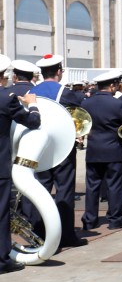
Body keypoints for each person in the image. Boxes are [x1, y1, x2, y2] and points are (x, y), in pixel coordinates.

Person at [26, 54, 87, 249]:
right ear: (59, 71)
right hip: (61, 148)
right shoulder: (64, 92)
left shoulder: (31, 91)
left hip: (38, 148)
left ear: (42, 73)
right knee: (64, 191)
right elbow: (81, 110)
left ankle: (40, 233)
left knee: (40, 190)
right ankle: (66, 235)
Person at [81, 70, 122, 230]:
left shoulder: (86, 103)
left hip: (94, 150)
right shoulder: (118, 103)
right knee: (114, 186)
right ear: (111, 85)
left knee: (92, 186)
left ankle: (90, 219)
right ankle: (114, 219)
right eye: (116, 85)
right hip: (114, 150)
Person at [1, 86, 40, 274]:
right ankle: (2, 260)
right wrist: (32, 105)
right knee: (1, 215)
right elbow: (33, 121)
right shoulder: (6, 99)